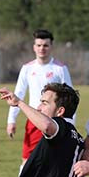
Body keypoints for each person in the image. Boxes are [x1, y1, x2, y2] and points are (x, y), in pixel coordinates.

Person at [6, 29, 72, 169]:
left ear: (51, 47)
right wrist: (11, 120)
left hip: (55, 121)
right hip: (34, 119)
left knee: (53, 160)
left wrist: (69, 123)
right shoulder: (27, 68)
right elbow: (18, 94)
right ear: (34, 47)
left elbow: (69, 98)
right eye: (39, 45)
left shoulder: (60, 69)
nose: (42, 48)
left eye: (46, 45)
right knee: (27, 160)